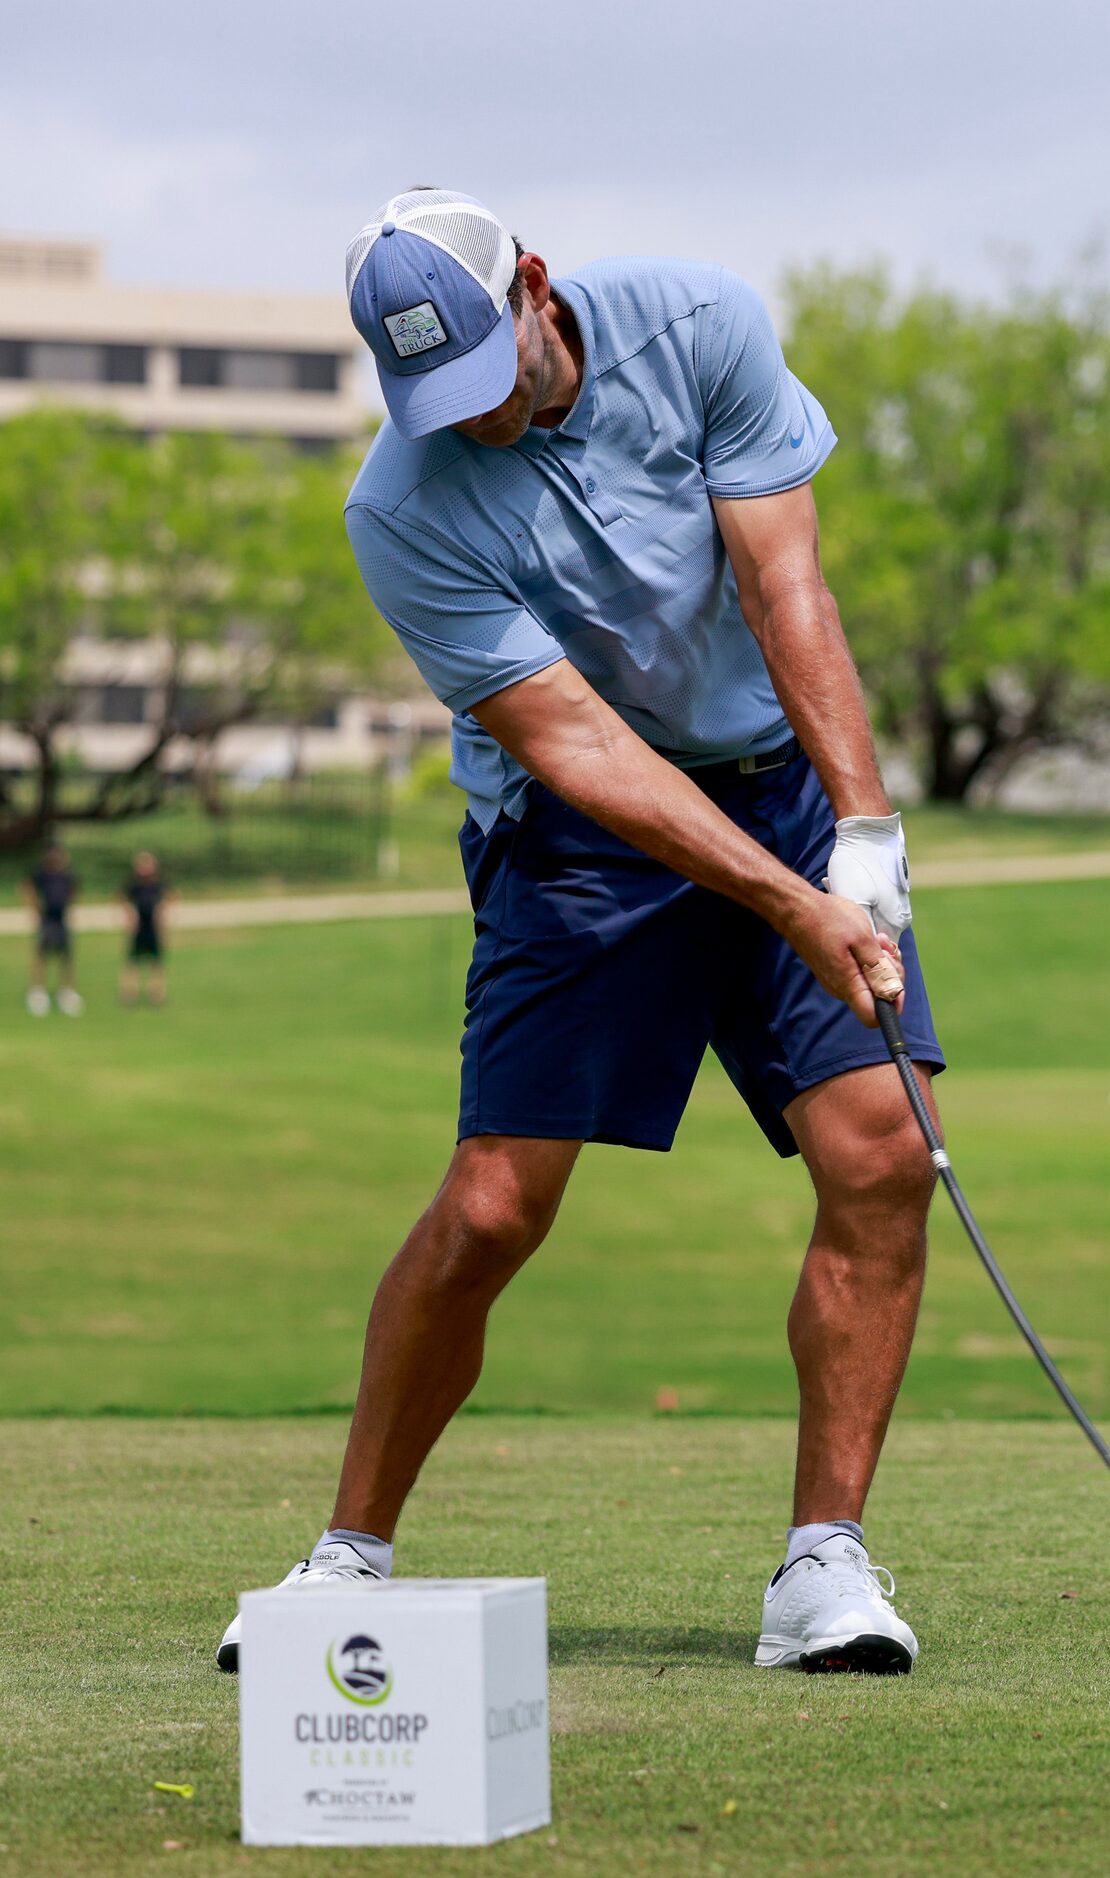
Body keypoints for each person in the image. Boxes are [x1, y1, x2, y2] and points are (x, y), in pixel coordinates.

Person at [217, 189, 942, 1678]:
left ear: (536, 289)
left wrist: (858, 837)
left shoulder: (698, 323)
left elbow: (782, 577)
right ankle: (346, 1552)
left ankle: (824, 1567)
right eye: (436, 403)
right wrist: (791, 903)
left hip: (782, 783)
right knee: (494, 1207)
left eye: (487, 382)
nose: (470, 424)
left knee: (881, 1148)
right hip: (581, 837)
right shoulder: (399, 507)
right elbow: (578, 746)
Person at [25, 844, 79, 1016]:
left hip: (61, 919)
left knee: (66, 956)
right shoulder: (41, 874)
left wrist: (70, 907)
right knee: (42, 955)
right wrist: (35, 908)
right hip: (46, 920)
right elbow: (27, 888)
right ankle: (38, 992)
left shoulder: (67, 875)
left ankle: (67, 992)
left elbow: (74, 890)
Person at [117, 852, 170, 1007]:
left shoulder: (158, 884)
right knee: (132, 962)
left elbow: (169, 897)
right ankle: (129, 994)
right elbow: (122, 898)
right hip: (138, 928)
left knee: (156, 962)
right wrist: (129, 916)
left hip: (153, 927)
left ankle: (157, 994)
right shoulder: (134, 885)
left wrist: (162, 915)